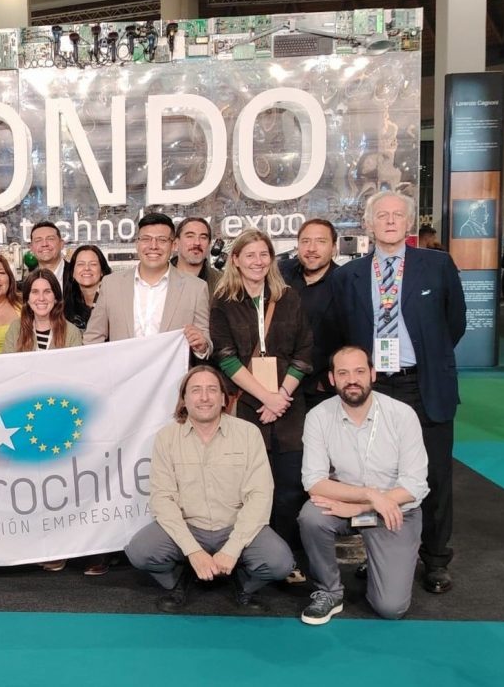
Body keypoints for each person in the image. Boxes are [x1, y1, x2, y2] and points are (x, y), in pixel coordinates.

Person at [330, 190, 465, 594]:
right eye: (382, 215)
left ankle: (435, 559)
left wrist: (427, 358)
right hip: (374, 388)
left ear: (409, 223)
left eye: (397, 215)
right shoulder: (349, 275)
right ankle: (379, 553)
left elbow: (454, 323)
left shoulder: (437, 265)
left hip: (423, 383)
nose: (390, 221)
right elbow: (343, 330)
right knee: (376, 474)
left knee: (434, 475)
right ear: (369, 224)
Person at [125, 365, 294, 613]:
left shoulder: (248, 434)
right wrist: (193, 550)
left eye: (212, 389)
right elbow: (162, 499)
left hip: (236, 526)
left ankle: (242, 584)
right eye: (196, 390)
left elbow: (260, 496)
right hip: (189, 527)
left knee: (280, 563)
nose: (204, 397)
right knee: (140, 551)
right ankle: (181, 580)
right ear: (183, 400)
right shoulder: (166, 438)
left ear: (224, 398)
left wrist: (232, 549)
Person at [298, 346, 428, 624]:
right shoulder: (318, 416)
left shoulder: (402, 415)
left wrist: (363, 507)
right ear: (332, 378)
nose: (352, 380)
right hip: (346, 504)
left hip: (393, 511)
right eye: (343, 373)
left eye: (359, 371)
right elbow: (314, 481)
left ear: (372, 374)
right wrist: (369, 495)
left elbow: (414, 485)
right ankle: (329, 591)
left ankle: (382, 560)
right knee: (312, 516)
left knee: (391, 608)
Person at [211, 228, 313, 581]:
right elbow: (225, 358)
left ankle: (287, 560)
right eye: (250, 255)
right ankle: (248, 558)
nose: (257, 261)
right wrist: (266, 397)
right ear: (235, 260)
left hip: (289, 408)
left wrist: (281, 396)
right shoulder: (223, 302)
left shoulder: (289, 298)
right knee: (248, 487)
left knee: (289, 488)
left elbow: (304, 351)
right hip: (246, 407)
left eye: (263, 254)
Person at [83, 213, 212, 362]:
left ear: (173, 245)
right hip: (122, 374)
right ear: (137, 244)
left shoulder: (196, 288)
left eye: (162, 240)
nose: (153, 246)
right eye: (146, 239)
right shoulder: (111, 284)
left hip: (172, 375)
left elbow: (205, 342)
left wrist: (201, 345)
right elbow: (93, 338)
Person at [279, 219, 341, 412]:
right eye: (305, 241)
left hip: (320, 390)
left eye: (321, 241)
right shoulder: (280, 273)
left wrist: (326, 382)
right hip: (278, 384)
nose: (311, 248)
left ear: (334, 247)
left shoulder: (344, 282)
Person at [3, 270, 82, 353]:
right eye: (35, 292)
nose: (41, 298)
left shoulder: (72, 332)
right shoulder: (16, 328)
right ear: (27, 299)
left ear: (55, 297)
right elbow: (6, 361)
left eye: (47, 292)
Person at [63, 244, 112, 332]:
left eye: (93, 264)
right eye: (80, 264)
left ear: (102, 271)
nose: (86, 268)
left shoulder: (114, 299)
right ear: (73, 272)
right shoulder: (66, 301)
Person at [173, 217, 221, 294]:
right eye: (190, 236)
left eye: (203, 237)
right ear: (176, 243)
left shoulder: (223, 283)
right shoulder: (159, 277)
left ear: (209, 244)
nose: (197, 243)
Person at [29, 220, 67, 287]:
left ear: (61, 244)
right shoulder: (27, 282)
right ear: (31, 247)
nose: (44, 244)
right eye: (38, 240)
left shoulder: (77, 275)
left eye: (50, 239)